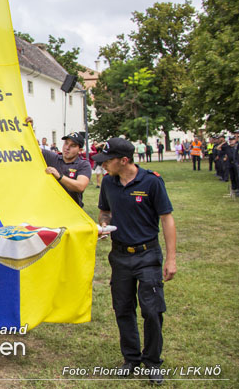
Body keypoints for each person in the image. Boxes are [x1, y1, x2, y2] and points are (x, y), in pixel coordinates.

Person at [92, 138, 177, 385]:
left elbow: (167, 219)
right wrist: (104, 225)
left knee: (152, 310)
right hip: (119, 256)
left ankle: (152, 362)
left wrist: (171, 259)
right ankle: (130, 359)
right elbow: (105, 211)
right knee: (123, 308)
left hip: (147, 255)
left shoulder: (152, 181)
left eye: (107, 161)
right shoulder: (108, 182)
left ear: (124, 160)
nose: (103, 166)